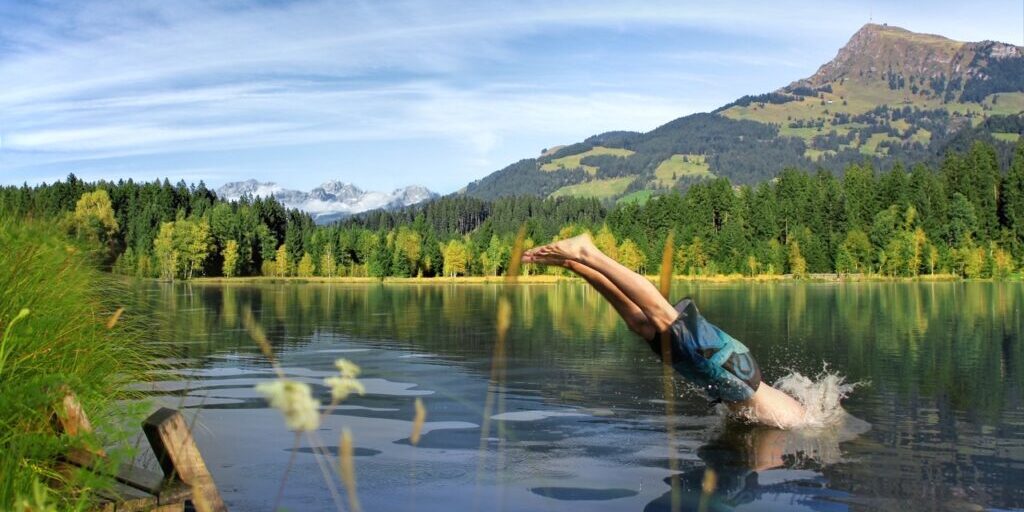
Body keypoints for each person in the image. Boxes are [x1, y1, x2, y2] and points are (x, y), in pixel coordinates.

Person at [521, 234, 807, 428]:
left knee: (641, 324)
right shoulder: (801, 422)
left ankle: (576, 263)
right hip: (732, 373)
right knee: (661, 315)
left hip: (731, 375)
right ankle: (587, 252)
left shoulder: (801, 413)